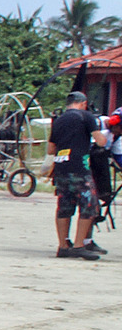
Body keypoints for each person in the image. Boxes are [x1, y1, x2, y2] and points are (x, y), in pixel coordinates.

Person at [47, 91, 111, 259]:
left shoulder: (59, 120)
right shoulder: (86, 116)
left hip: (61, 167)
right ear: (83, 103)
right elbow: (100, 141)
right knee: (90, 205)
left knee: (64, 206)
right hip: (79, 167)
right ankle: (78, 245)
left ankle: (62, 246)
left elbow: (50, 149)